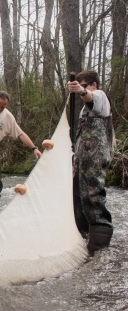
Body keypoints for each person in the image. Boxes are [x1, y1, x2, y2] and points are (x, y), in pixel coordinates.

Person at [68, 70, 115, 253]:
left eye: (85, 85)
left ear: (94, 85)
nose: (83, 89)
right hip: (83, 158)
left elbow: (90, 98)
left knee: (93, 194)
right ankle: (83, 236)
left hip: (95, 157)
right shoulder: (83, 109)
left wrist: (81, 90)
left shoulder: (100, 96)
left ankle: (99, 246)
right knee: (78, 196)